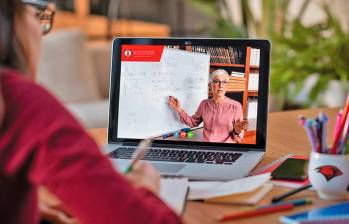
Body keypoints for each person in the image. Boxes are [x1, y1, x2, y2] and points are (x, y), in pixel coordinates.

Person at [0, 1, 182, 224]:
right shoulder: (21, 104)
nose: (41, 33)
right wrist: (145, 192)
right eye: (39, 16)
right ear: (11, 20)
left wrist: (29, 211)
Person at [168, 69, 248, 143]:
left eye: (224, 82)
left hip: (225, 150)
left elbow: (238, 139)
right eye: (217, 81)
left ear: (227, 85)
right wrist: (179, 110)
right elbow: (193, 123)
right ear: (210, 85)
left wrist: (236, 131)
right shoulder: (204, 104)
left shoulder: (236, 106)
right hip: (207, 148)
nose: (220, 85)